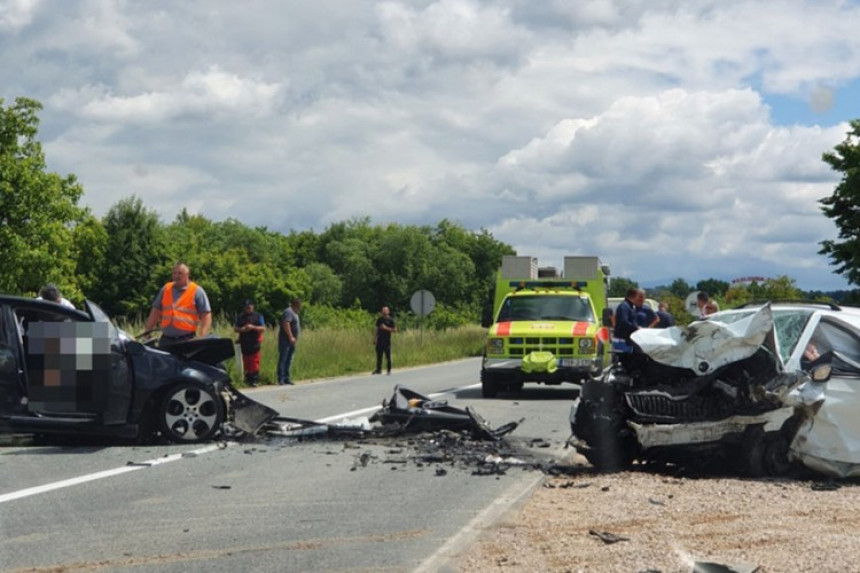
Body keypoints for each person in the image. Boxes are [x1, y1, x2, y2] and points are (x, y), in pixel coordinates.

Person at [144, 262, 212, 348]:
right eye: (174, 273)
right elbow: (155, 311)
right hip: (166, 340)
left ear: (187, 275)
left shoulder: (196, 291)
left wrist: (202, 336)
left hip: (186, 340)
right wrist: (147, 332)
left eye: (180, 273)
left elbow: (206, 315)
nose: (176, 276)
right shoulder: (166, 289)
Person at [234, 299, 265, 387]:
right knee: (246, 362)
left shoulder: (258, 316)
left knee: (254, 362)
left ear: (253, 306)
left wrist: (253, 327)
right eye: (246, 307)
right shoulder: (240, 317)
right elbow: (235, 328)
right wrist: (242, 329)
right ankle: (247, 380)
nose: (248, 308)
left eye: (249, 307)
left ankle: (255, 380)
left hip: (255, 342)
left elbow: (263, 328)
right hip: (244, 342)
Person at [277, 298, 302, 385]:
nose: (300, 307)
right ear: (296, 304)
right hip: (286, 340)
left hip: (292, 341)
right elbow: (286, 324)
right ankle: (281, 378)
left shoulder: (295, 313)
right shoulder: (288, 311)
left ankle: (287, 378)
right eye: (299, 305)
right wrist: (291, 337)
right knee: (283, 359)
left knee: (289, 359)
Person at [372, 306, 397, 375]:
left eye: (385, 311)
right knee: (379, 356)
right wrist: (374, 338)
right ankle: (378, 369)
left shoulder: (391, 320)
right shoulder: (379, 320)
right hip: (380, 340)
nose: (384, 312)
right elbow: (376, 329)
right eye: (383, 311)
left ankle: (388, 370)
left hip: (387, 342)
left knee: (388, 357)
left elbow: (395, 330)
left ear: (388, 312)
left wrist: (386, 328)